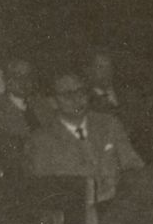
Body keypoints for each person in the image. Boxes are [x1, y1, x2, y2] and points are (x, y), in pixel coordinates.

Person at [25, 72, 142, 204]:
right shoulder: (41, 140)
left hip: (118, 206)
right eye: (68, 95)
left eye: (81, 92)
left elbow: (134, 166)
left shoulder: (109, 124)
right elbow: (46, 191)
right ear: (53, 102)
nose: (77, 99)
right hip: (75, 214)